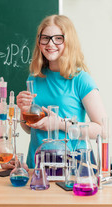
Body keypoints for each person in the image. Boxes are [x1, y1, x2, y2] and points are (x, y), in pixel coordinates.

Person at [16, 15, 107, 168]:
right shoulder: (34, 78)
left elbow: (103, 130)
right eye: (45, 38)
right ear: (39, 42)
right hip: (38, 165)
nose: (50, 44)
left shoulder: (81, 79)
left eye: (58, 38)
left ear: (69, 41)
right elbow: (28, 128)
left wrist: (59, 124)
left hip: (74, 167)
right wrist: (23, 112)